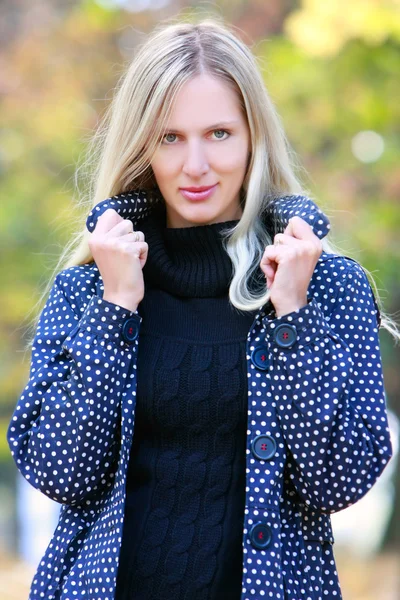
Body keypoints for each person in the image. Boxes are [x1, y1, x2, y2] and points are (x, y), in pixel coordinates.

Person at [7, 17, 395, 600]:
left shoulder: (324, 286)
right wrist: (117, 308)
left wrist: (292, 316)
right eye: (170, 137)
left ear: (253, 138)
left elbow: (339, 480)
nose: (196, 166)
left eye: (218, 134)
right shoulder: (89, 290)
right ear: (143, 144)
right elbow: (60, 473)